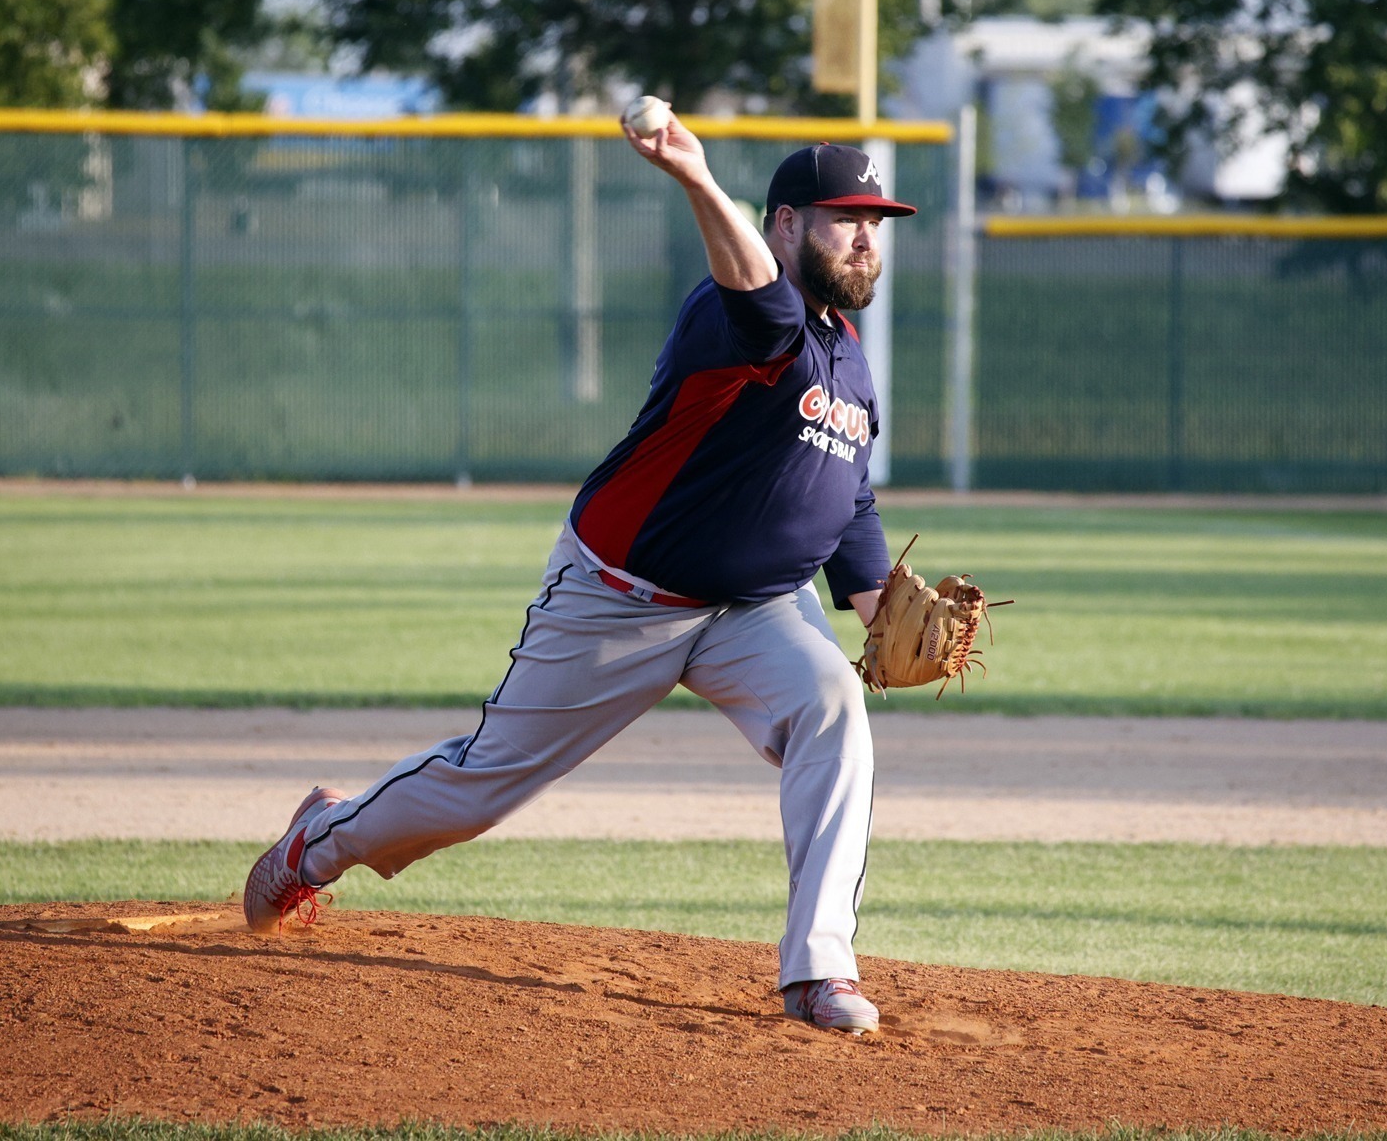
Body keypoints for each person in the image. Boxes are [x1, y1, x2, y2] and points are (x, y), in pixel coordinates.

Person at [243, 111, 917, 1036]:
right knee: (481, 786)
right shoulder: (732, 315)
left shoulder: (849, 355)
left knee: (834, 708)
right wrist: (696, 179)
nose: (867, 236)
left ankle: (818, 971)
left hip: (757, 609)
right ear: (787, 224)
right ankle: (320, 837)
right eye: (848, 218)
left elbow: (850, 497)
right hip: (619, 601)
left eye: (876, 222)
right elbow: (763, 305)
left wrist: (881, 607)